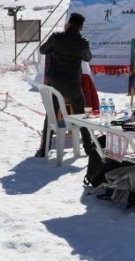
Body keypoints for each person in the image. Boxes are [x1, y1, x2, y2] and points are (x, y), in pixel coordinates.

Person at [36, 13, 94, 158]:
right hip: (73, 83)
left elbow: (43, 50)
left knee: (51, 113)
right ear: (80, 27)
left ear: (68, 24)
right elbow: (88, 58)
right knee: (82, 114)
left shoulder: (56, 37)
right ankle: (88, 147)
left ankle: (44, 149)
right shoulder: (82, 42)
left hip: (54, 82)